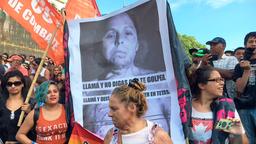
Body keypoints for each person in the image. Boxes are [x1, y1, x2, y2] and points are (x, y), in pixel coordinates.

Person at [189, 66, 247, 143]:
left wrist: (238, 134)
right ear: (202, 85)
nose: (222, 83)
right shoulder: (186, 107)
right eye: (216, 80)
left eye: (221, 79)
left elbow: (241, 141)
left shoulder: (226, 107)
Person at [104, 78, 173, 144]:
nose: (109, 114)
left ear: (131, 107)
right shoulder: (110, 137)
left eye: (114, 109)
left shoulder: (158, 137)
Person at [98, 13, 154, 80]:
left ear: (137, 44)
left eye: (128, 33)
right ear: (101, 45)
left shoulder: (161, 82)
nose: (119, 40)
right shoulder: (88, 90)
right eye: (110, 35)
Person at [233, 31, 256, 144]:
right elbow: (239, 90)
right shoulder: (239, 66)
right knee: (249, 140)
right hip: (244, 108)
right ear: (245, 45)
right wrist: (246, 70)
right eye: (250, 41)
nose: (254, 44)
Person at [0, 70, 31, 143]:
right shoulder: (1, 103)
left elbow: (37, 129)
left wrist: (29, 113)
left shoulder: (31, 103)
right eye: (9, 84)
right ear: (5, 86)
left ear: (22, 84)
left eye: (17, 83)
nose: (13, 86)